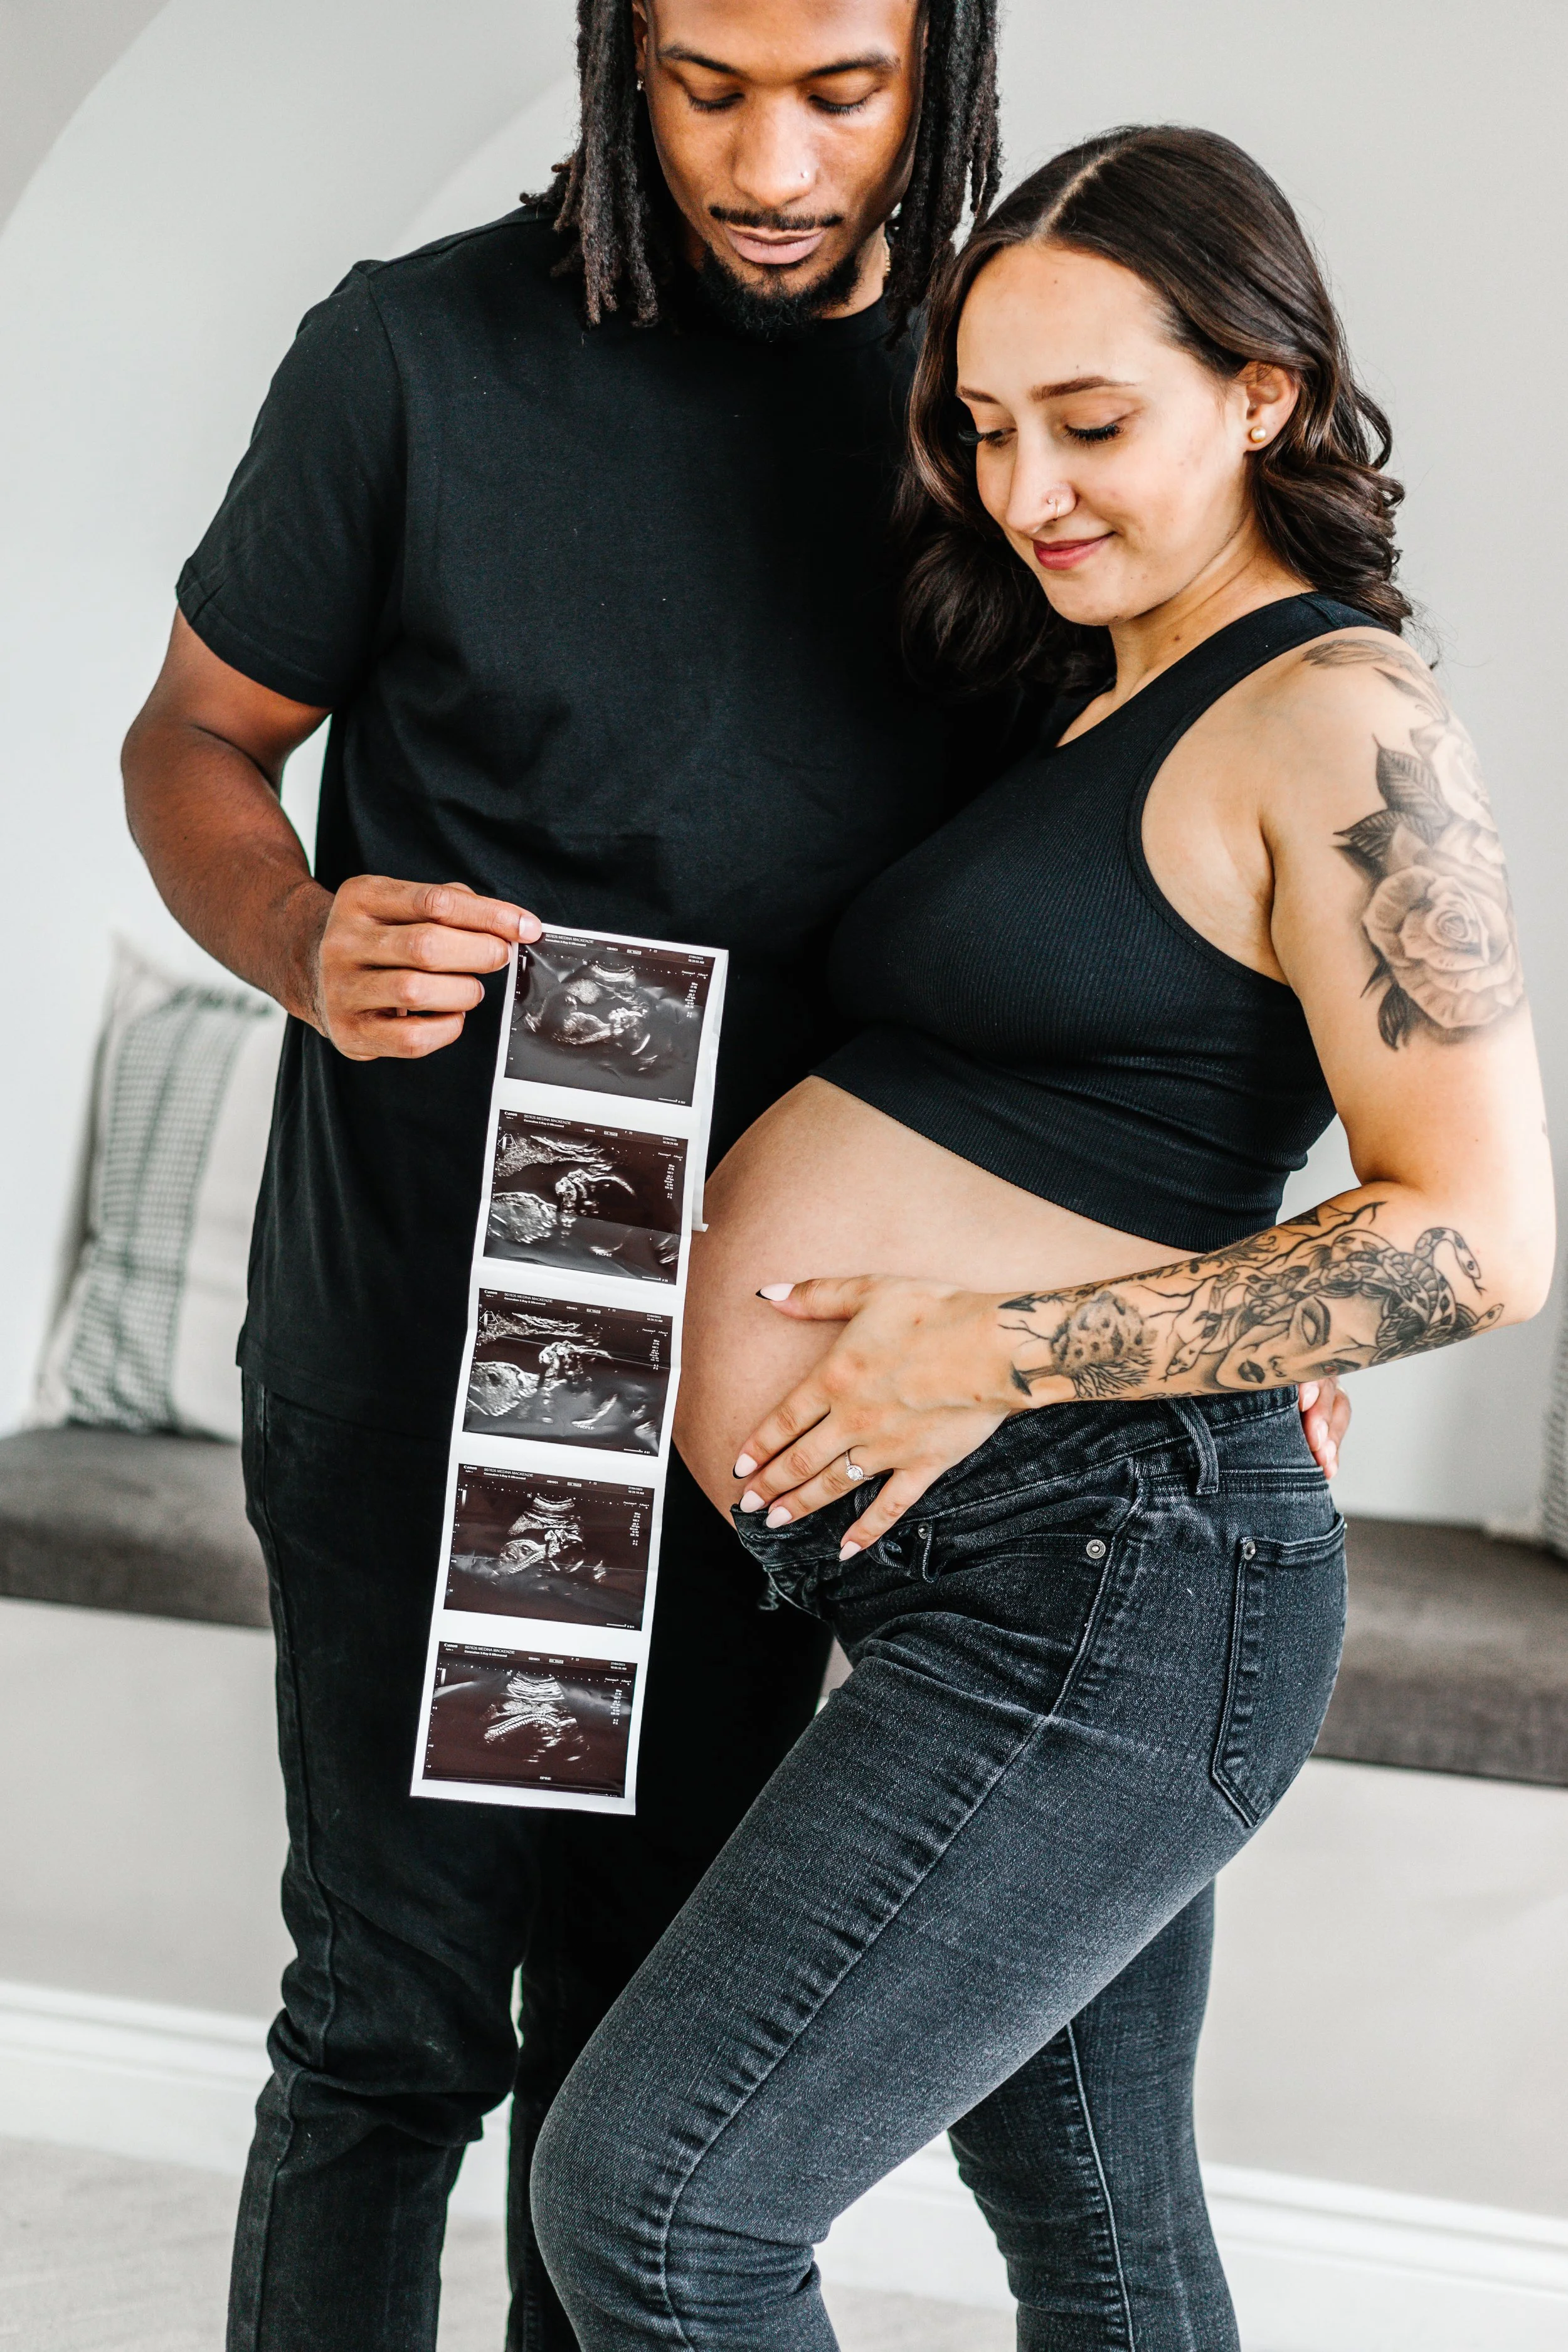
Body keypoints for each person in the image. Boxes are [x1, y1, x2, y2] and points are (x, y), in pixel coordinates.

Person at [120, 4, 1340, 2339]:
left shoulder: (999, 391)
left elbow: (1167, 880)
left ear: (941, 64)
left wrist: (1229, 1291)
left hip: (827, 1391)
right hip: (499, 1318)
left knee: (638, 2070)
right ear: (610, 58)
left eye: (843, 91)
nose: (771, 160)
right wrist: (292, 927)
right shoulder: (414, 359)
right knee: (392, 2034)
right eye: (701, 84)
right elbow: (197, 734)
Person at [529, 125, 1554, 2351]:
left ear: (1260, 392)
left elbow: (1481, 1233)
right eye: (986, 429)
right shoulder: (1101, 697)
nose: (1027, 488)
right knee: (1095, 2220)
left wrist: (987, 1353)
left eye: (1092, 423)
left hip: (1108, 1579)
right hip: (991, 1570)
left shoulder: (1341, 714)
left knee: (653, 2209)